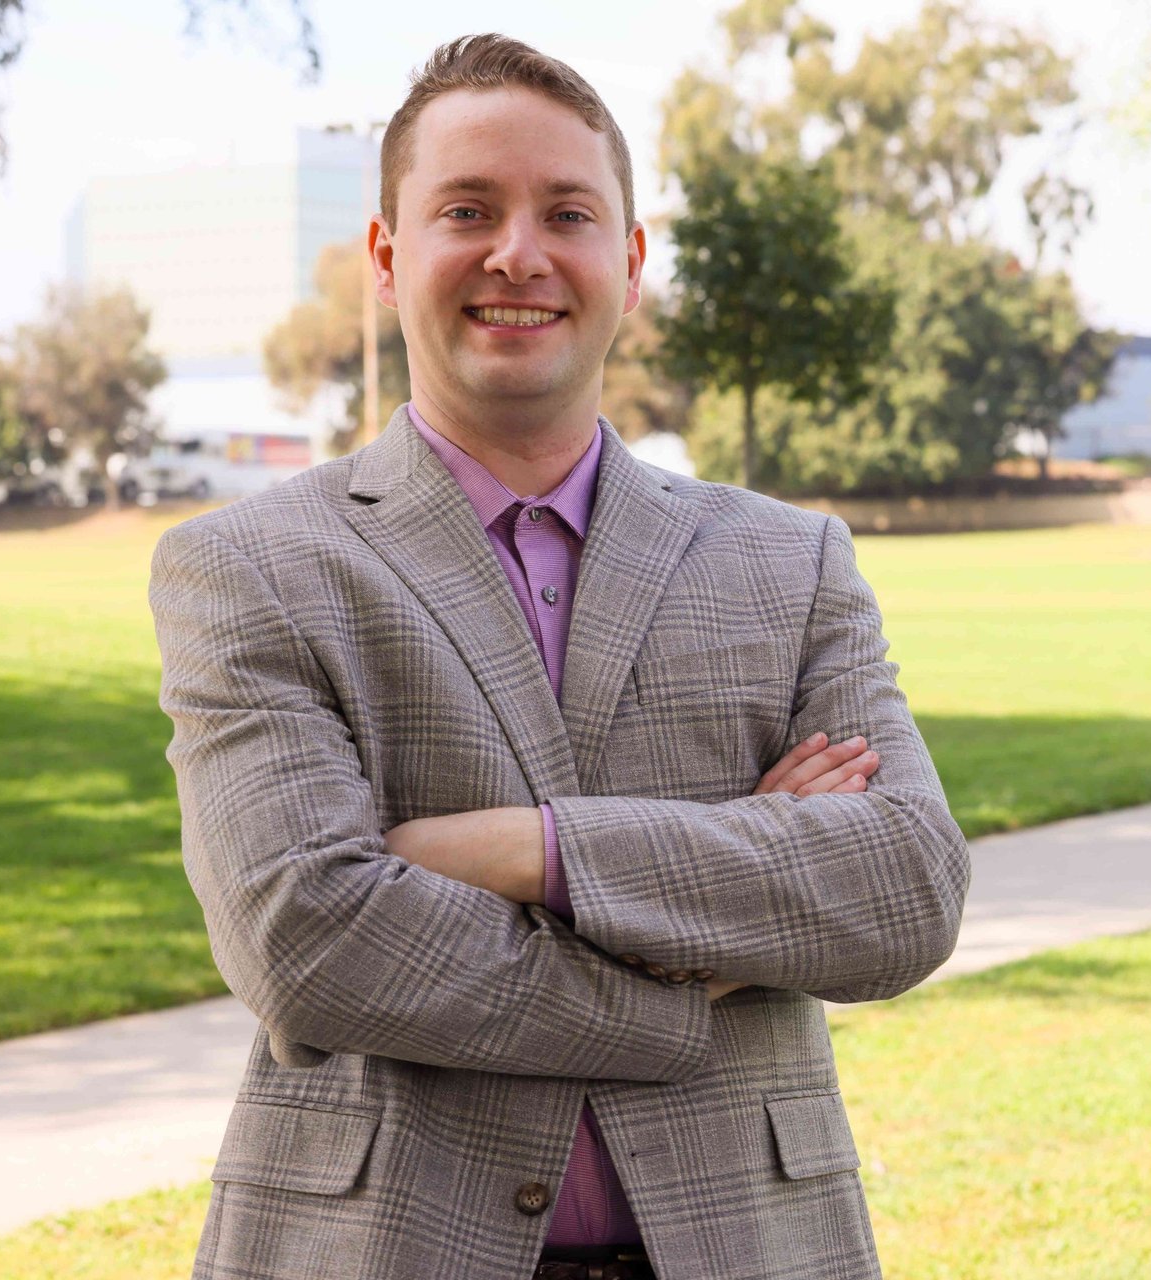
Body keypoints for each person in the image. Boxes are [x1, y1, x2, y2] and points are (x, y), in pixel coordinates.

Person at [148, 34, 968, 1280]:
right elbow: (305, 938)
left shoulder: (790, 562)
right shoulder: (253, 565)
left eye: (567, 213)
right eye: (466, 210)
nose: (517, 253)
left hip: (748, 1242)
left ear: (627, 264)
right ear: (386, 257)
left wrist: (525, 851)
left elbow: (902, 887)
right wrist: (700, 963)